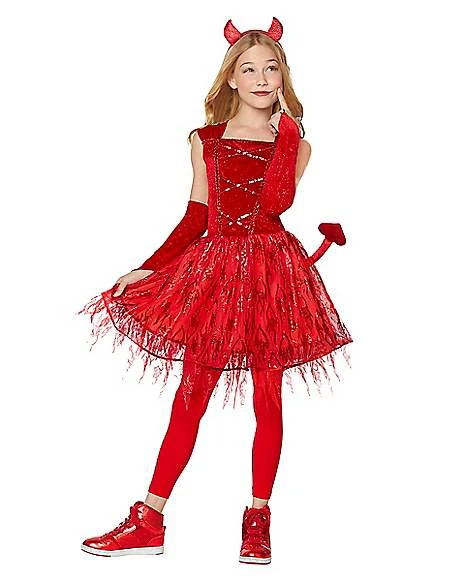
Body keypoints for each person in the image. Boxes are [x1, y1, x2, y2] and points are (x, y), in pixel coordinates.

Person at [77, 16, 353, 565]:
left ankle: (258, 519)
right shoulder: (204, 141)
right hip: (217, 275)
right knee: (190, 396)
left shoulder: (296, 144)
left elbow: (275, 203)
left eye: (271, 68)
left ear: (283, 76)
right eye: (248, 69)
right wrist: (148, 268)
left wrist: (287, 135)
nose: (261, 79)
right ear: (230, 77)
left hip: (272, 274)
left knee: (268, 398)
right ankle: (149, 519)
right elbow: (196, 217)